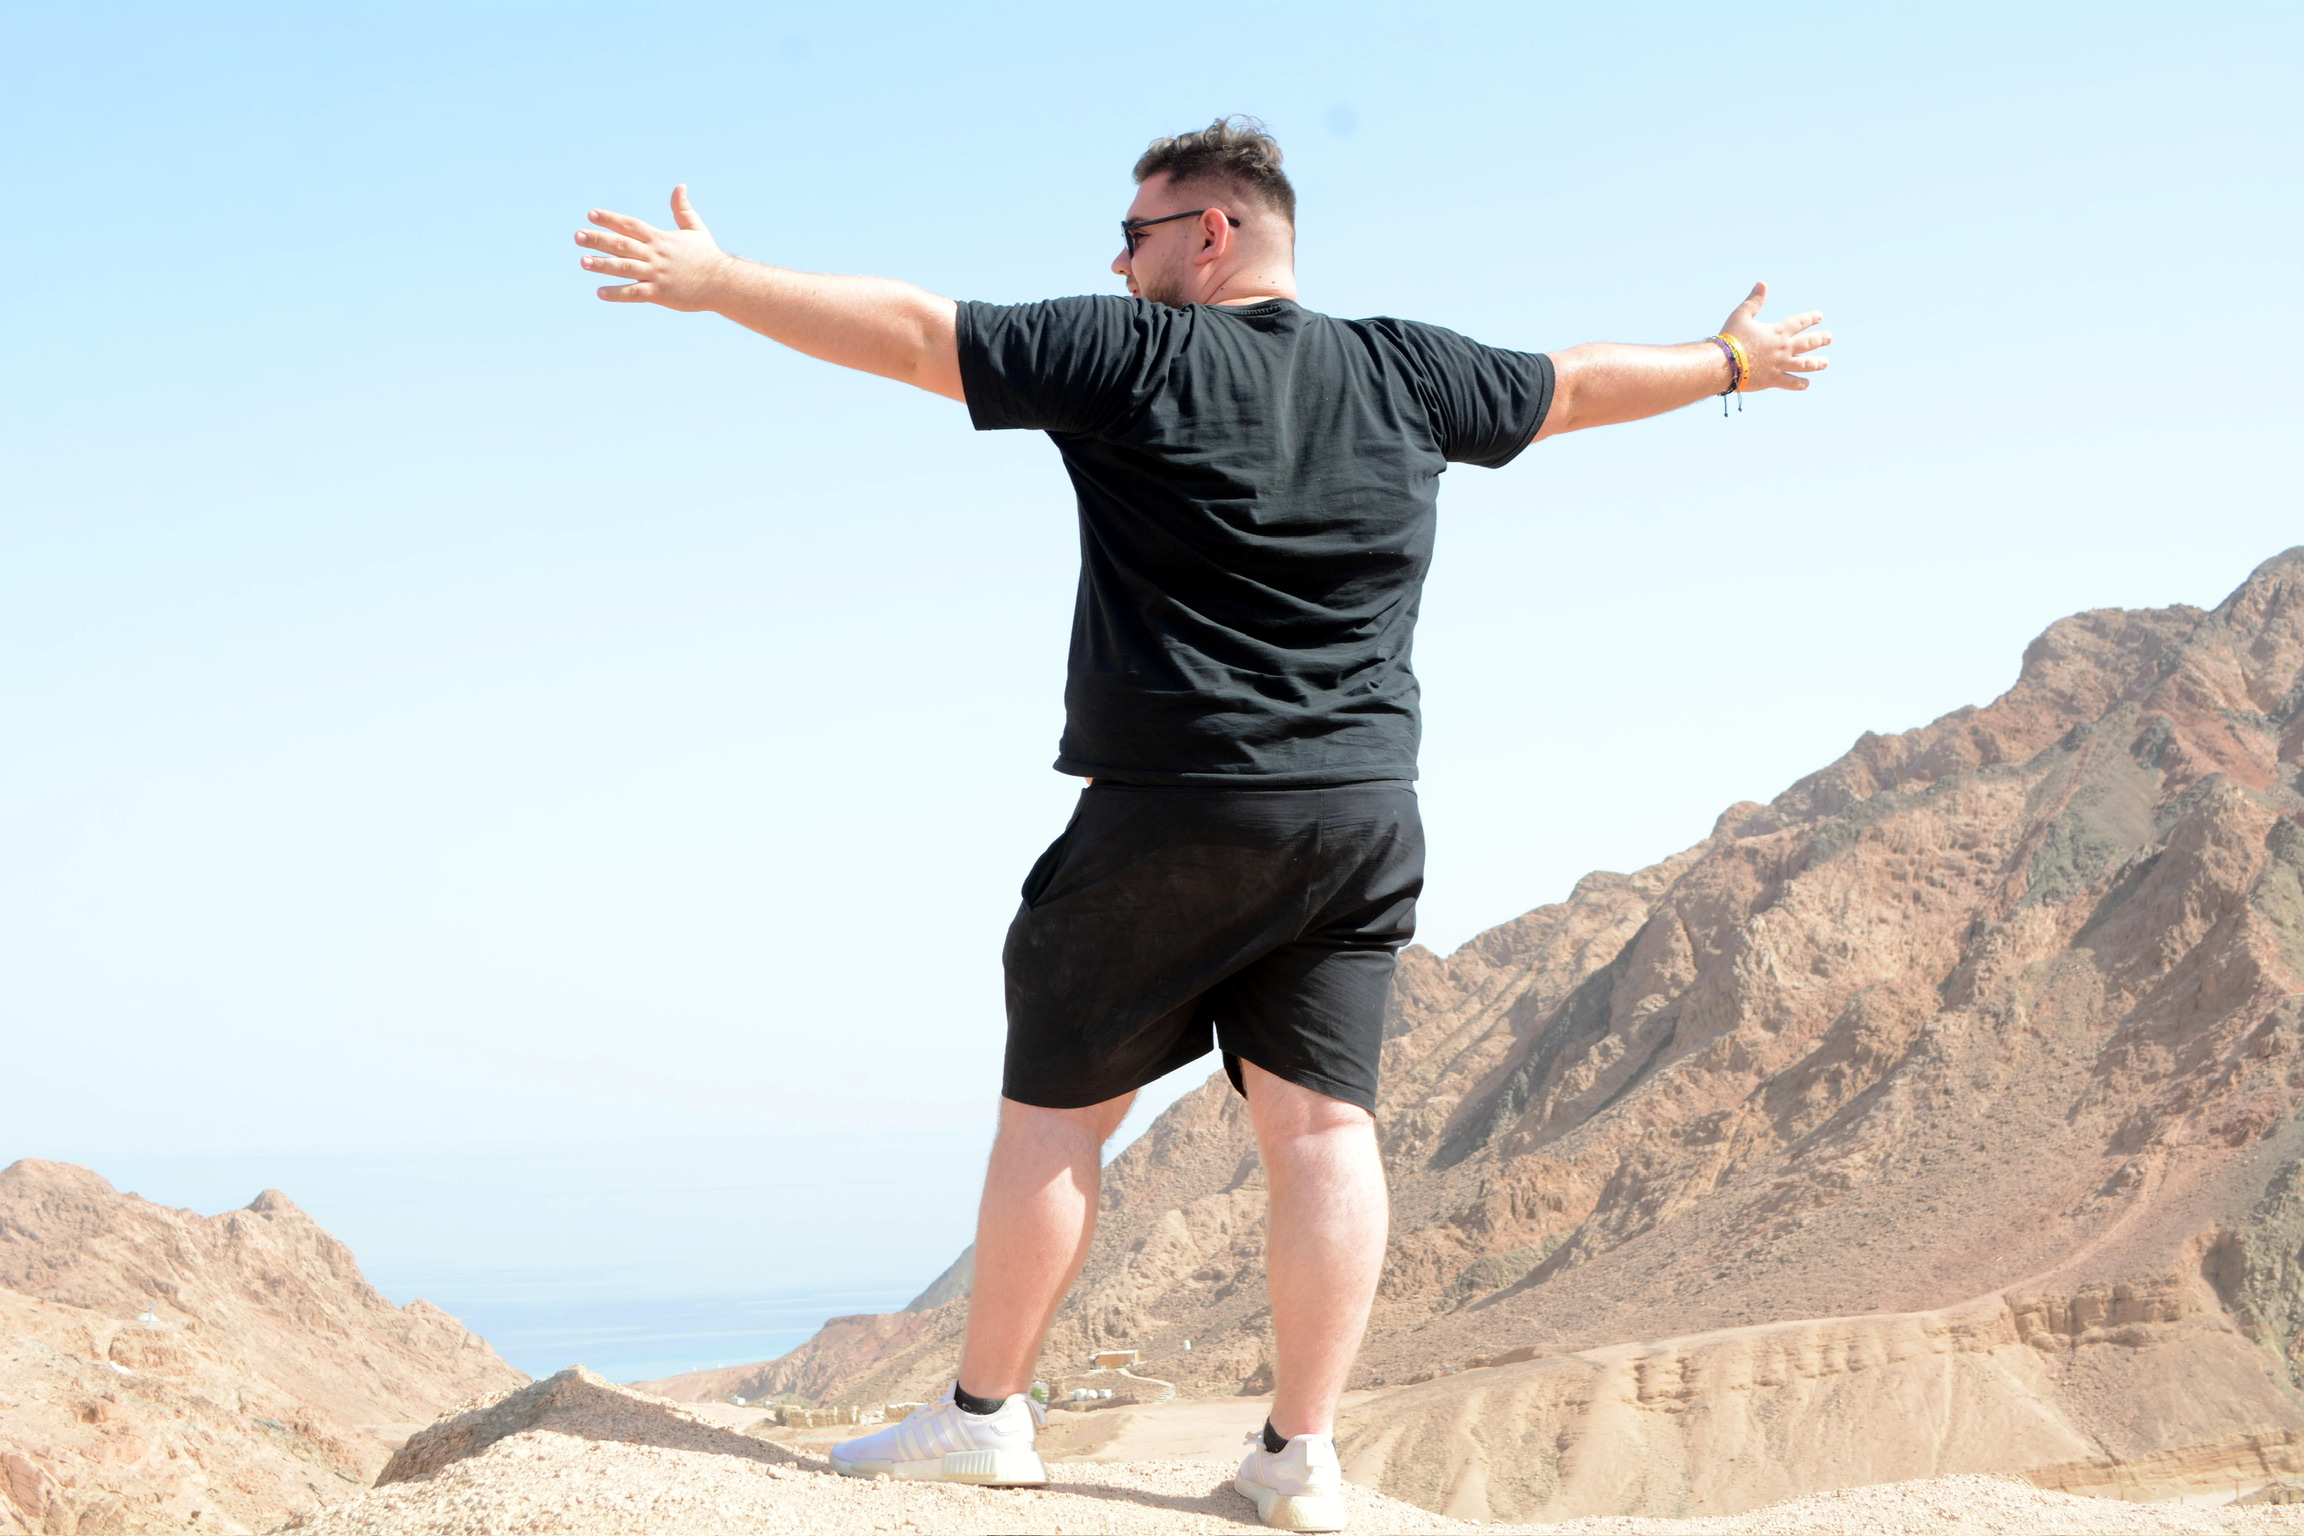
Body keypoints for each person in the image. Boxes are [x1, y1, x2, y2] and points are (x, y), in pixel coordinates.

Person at [575, 116, 1829, 1533]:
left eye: (1136, 234)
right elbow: (1583, 386)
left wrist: (723, 281)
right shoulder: (1409, 368)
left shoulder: (1139, 359)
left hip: (1176, 802)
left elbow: (925, 338)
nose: (1116, 263)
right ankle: (1301, 1455)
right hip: (1362, 810)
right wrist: (1736, 363)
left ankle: (984, 1421)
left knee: (1059, 1112)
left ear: (1213, 234)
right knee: (1319, 1130)